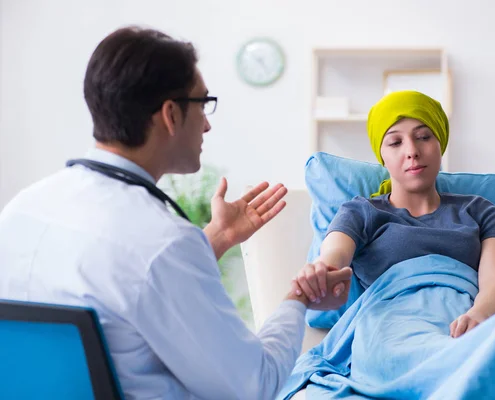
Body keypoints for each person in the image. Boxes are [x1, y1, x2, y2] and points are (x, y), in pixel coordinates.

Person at [0, 26, 352, 399]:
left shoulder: (23, 207)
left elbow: (127, 285)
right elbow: (255, 386)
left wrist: (214, 240)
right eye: (203, 103)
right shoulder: (162, 241)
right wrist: (298, 298)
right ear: (170, 115)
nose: (207, 123)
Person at [292, 90, 495, 339]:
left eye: (423, 137)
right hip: (389, 332)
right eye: (396, 142)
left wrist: (477, 317)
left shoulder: (481, 211)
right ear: (381, 156)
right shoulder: (360, 212)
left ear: (440, 143)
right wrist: (320, 274)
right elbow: (334, 256)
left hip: (466, 332)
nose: (412, 151)